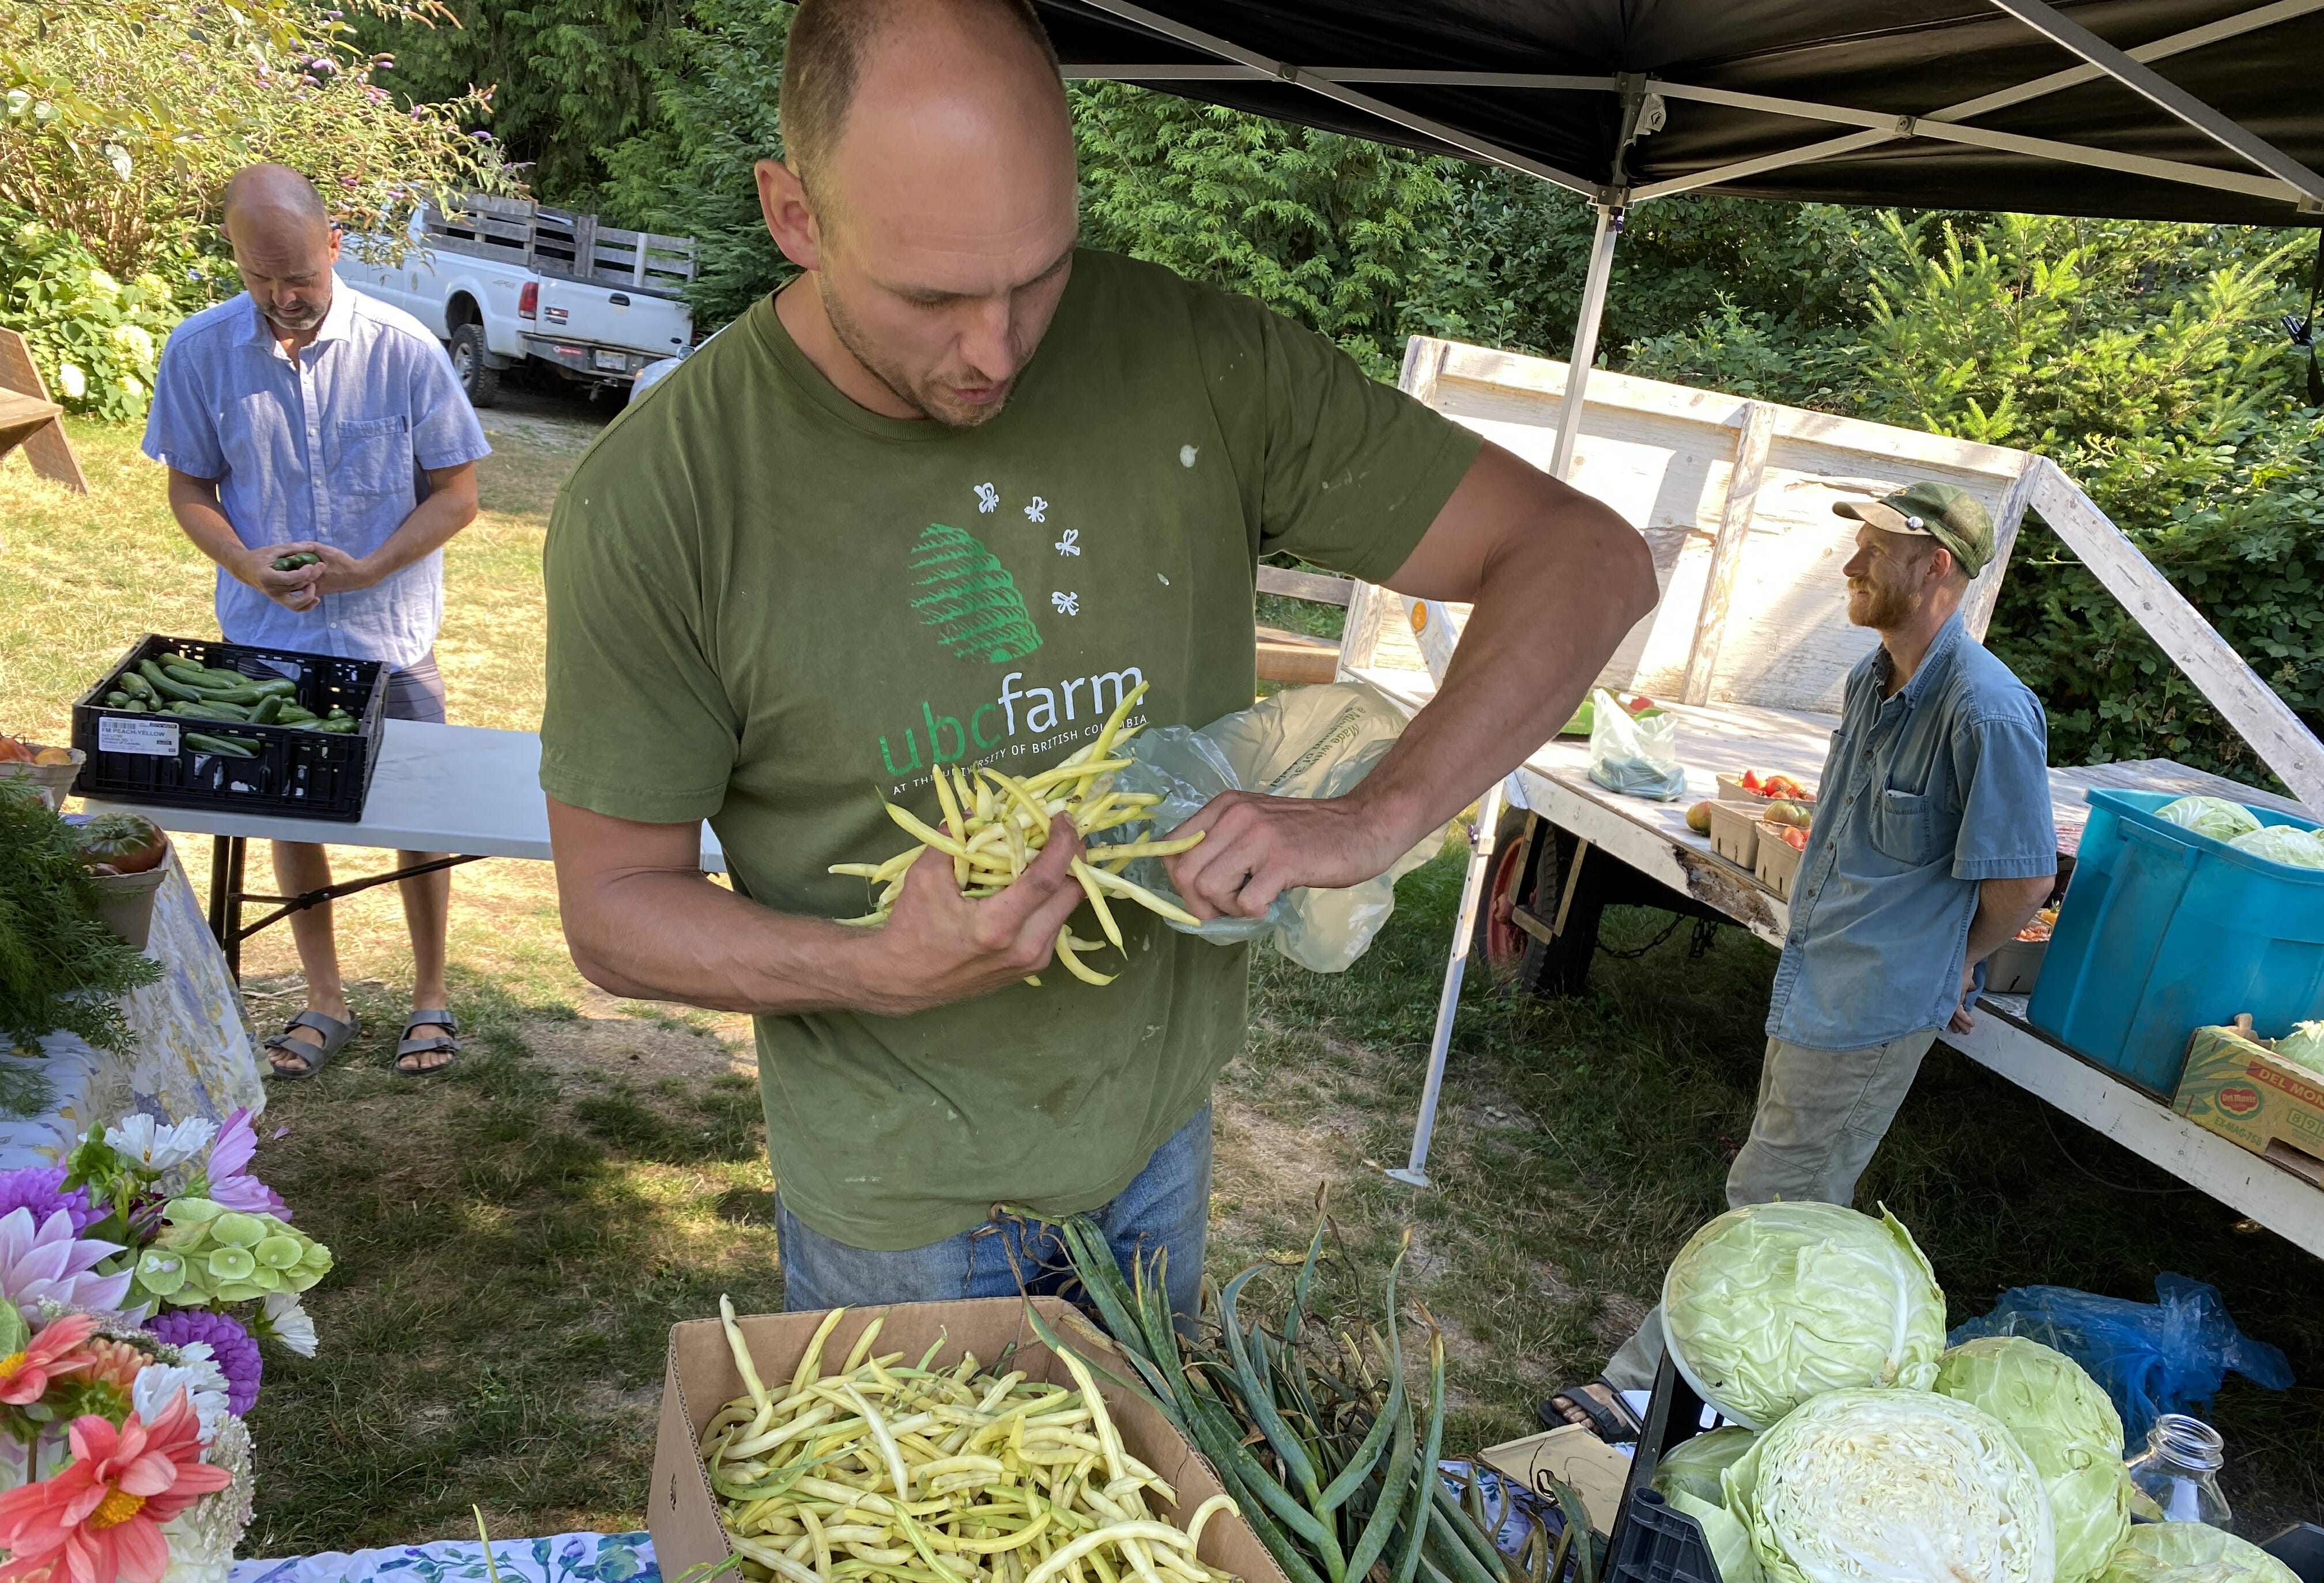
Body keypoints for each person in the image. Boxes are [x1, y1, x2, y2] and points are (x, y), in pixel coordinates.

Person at [538, 0, 1658, 1316]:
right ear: (793, 215)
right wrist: (874, 967)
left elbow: (1588, 561)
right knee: (933, 1530)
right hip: (899, 1199)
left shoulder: (1200, 361)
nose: (996, 351)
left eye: (1040, 273)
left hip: (1159, 1143)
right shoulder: (666, 497)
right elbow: (614, 909)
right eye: (933, 295)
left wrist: (1380, 814)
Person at [1545, 481, 2058, 1441]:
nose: (1851, 566)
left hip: (1873, 1005)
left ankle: (1650, 1389)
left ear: (1934, 566)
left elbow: (2024, 882)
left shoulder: (1987, 711)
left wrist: (1960, 957)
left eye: (1873, 550)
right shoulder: (1875, 680)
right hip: (1816, 981)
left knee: (1768, 1203)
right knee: (1789, 1199)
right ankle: (1757, 1390)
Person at [144, 164, 492, 1080]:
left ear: (336, 245)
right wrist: (243, 562)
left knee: (421, 818)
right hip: (267, 640)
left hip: (392, 638)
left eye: (299, 275)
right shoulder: (199, 350)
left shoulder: (405, 349)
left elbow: (459, 497)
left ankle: (429, 998)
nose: (284, 298)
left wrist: (373, 566)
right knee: (289, 819)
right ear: (237, 258)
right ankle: (324, 997)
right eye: (262, 278)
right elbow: (190, 488)